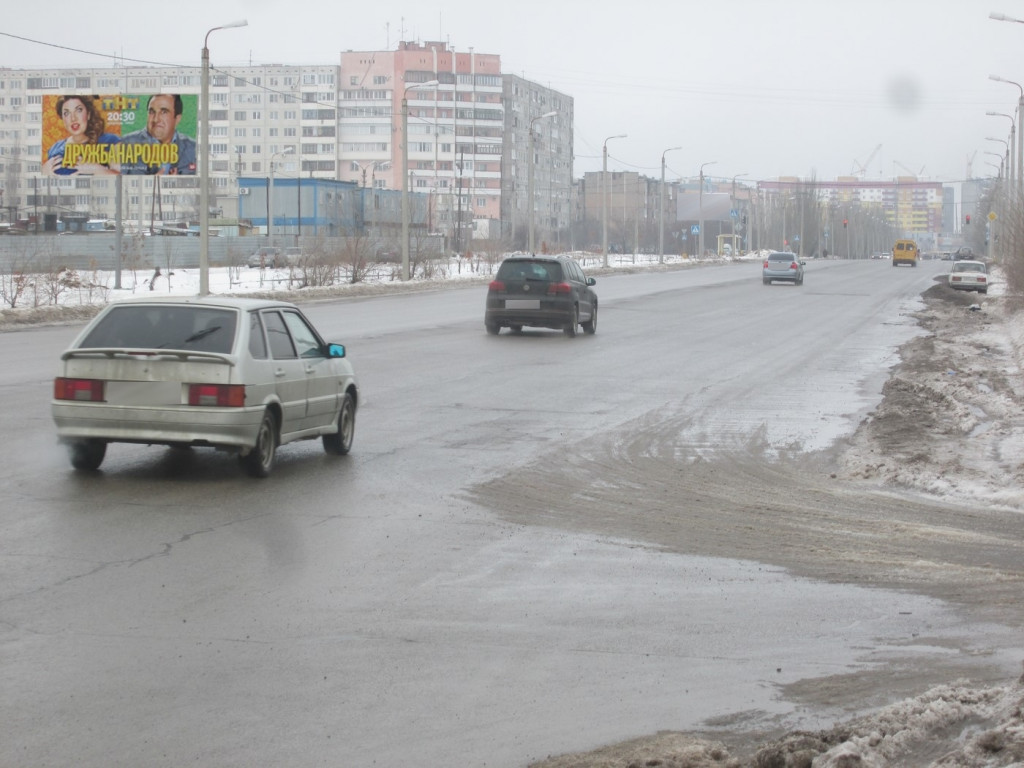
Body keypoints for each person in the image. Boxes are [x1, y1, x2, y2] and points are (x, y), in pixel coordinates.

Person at [42, 95, 120, 176]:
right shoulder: (55, 148)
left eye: (79, 110)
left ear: (88, 114)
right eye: (66, 113)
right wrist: (43, 171)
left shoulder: (111, 141)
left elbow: (122, 181)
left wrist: (96, 169)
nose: (73, 118)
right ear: (63, 119)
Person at [120, 94, 197, 175]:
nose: (156, 119)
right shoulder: (125, 144)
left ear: (177, 118)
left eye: (164, 112)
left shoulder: (193, 148)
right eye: (152, 112)